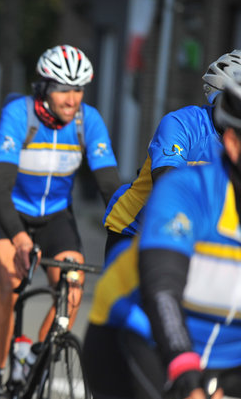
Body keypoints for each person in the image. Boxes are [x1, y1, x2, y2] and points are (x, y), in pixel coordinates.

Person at [82, 79, 241, 399]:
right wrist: (184, 363)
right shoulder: (190, 189)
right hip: (133, 333)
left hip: (219, 344)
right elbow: (161, 284)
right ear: (234, 143)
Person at [0, 44, 120, 399]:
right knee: (10, 281)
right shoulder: (18, 115)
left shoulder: (88, 121)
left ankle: (30, 364)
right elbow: (2, 190)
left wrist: (138, 234)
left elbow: (111, 189)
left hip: (55, 215)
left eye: (79, 88)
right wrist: (20, 239)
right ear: (43, 88)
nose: (72, 98)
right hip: (6, 209)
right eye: (62, 88)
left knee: (72, 290)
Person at [103, 49, 241, 259]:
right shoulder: (182, 124)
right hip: (134, 229)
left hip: (196, 235)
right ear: (220, 100)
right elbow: (166, 181)